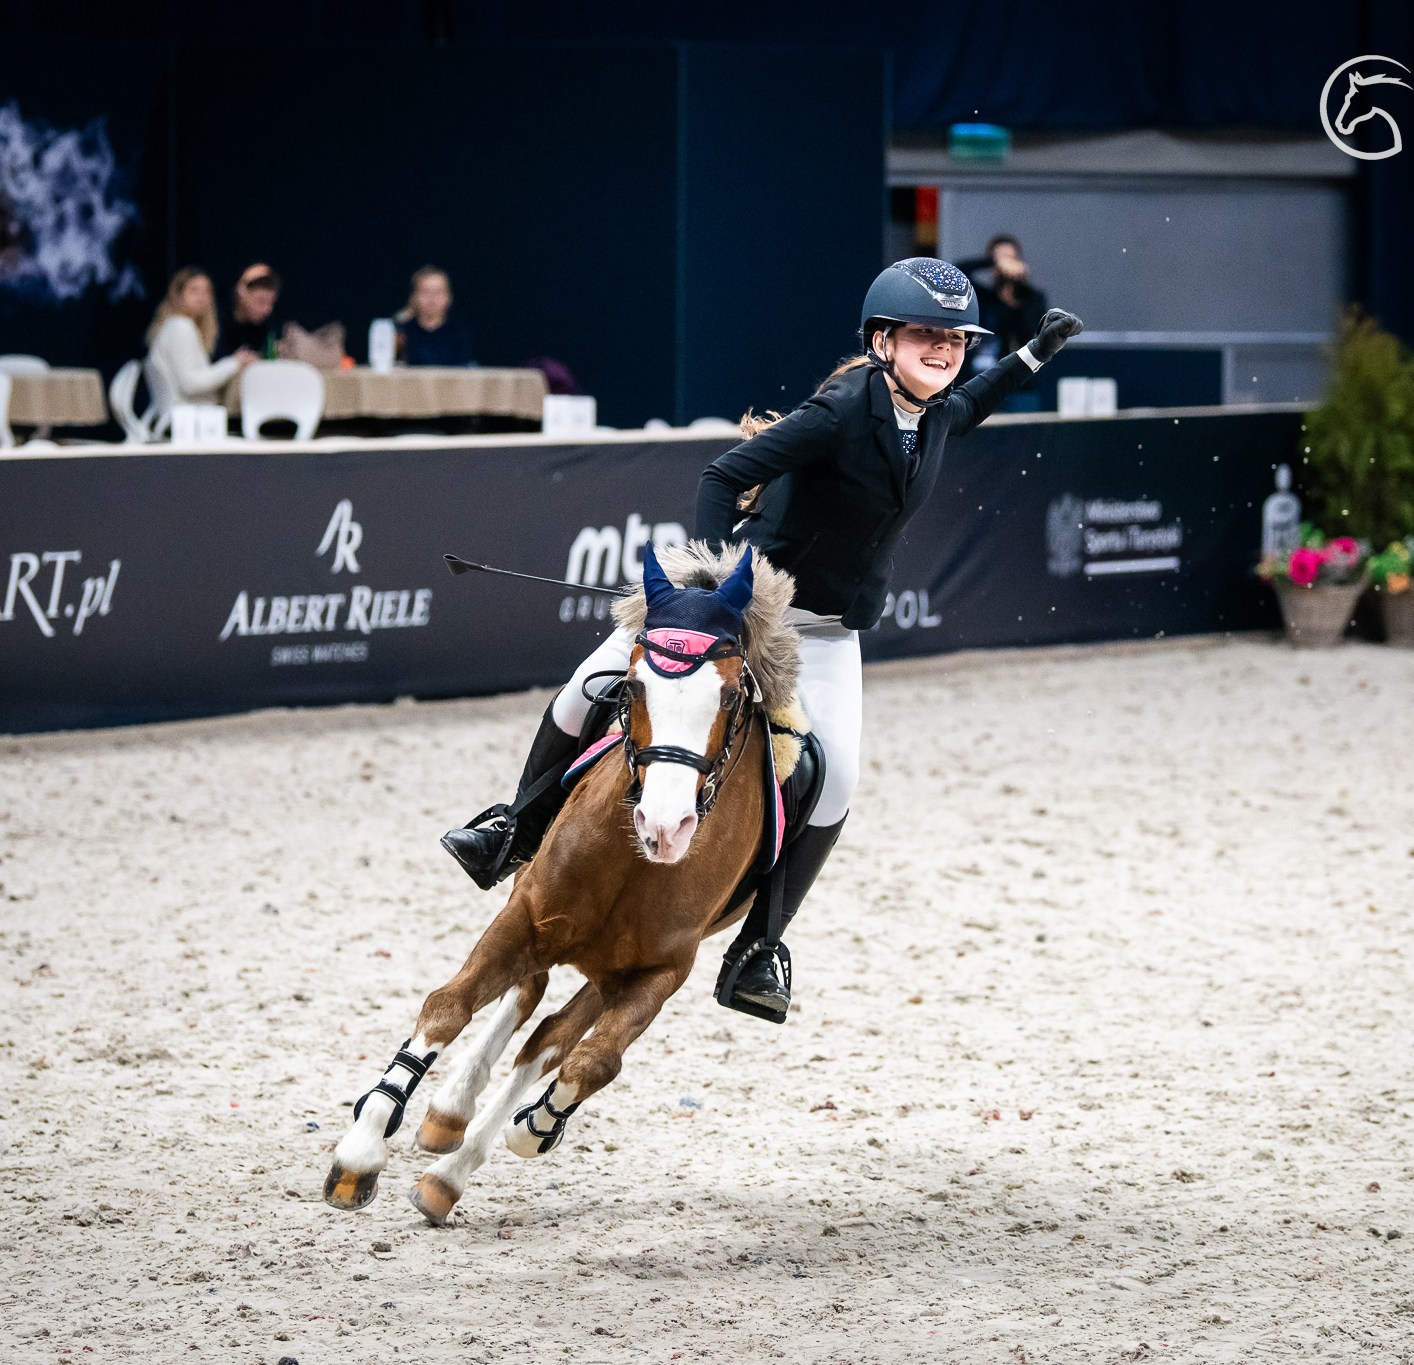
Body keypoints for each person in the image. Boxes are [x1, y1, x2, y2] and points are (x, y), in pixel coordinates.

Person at [440, 257, 1082, 1022]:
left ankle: (759, 946)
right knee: (587, 687)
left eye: (955, 339)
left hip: (828, 632)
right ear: (882, 341)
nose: (944, 350)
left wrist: (1034, 353)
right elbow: (721, 476)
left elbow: (973, 401)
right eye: (925, 336)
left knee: (835, 779)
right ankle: (513, 826)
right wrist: (710, 594)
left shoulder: (934, 411)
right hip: (749, 606)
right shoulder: (842, 409)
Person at [145, 265, 257, 405]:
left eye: (207, 291)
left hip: (190, 410)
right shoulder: (181, 326)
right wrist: (235, 363)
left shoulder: (176, 326)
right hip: (190, 412)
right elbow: (190, 383)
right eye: (194, 290)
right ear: (178, 294)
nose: (201, 297)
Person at [960, 236, 1050, 376]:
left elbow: (1031, 333)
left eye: (1010, 258)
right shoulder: (983, 296)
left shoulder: (1032, 298)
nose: (1005, 264)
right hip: (977, 374)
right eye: (1000, 258)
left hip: (1017, 376)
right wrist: (993, 261)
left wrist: (1018, 285)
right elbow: (959, 272)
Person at [394, 265, 475, 366]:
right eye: (425, 291)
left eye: (438, 292)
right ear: (413, 296)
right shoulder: (401, 334)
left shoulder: (461, 335)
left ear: (449, 297)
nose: (432, 298)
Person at [223, 264, 282, 360]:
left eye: (271, 303)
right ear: (241, 293)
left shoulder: (268, 326)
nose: (267, 310)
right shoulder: (217, 322)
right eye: (261, 301)